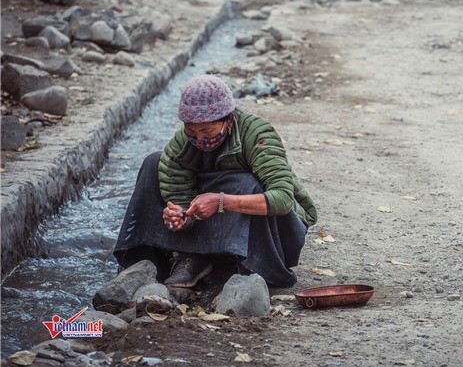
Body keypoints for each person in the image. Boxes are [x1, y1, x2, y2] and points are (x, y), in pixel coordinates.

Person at [113, 75, 317, 289]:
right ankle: (185, 258)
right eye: (191, 131)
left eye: (207, 131)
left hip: (276, 225)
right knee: (154, 162)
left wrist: (221, 201)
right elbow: (180, 197)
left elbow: (283, 199)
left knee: (246, 182)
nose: (200, 140)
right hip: (217, 221)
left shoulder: (257, 134)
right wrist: (182, 218)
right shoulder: (181, 146)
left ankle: (248, 263)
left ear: (228, 120)